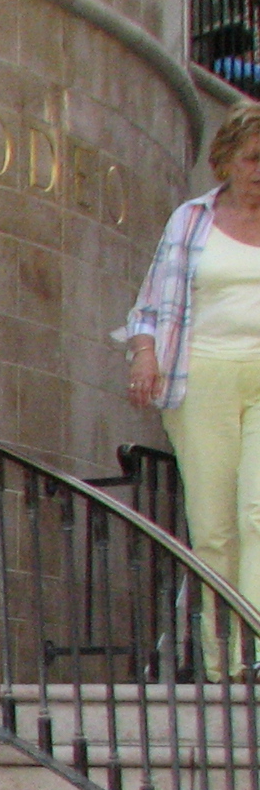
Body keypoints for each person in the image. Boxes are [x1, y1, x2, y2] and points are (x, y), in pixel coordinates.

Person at [121, 100, 260, 631]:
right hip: (202, 378)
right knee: (214, 530)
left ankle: (256, 649)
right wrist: (145, 355)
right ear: (226, 159)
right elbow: (148, 307)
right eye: (252, 158)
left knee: (257, 516)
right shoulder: (192, 220)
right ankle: (223, 659)